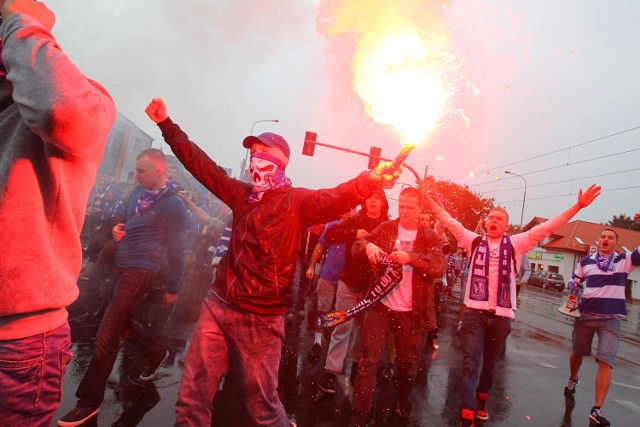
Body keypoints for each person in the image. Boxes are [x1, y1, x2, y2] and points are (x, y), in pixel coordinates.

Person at [144, 97, 402, 427]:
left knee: (263, 408)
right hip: (218, 305)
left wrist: (371, 179)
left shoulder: (299, 203)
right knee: (191, 399)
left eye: (263, 158)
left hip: (262, 319)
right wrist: (167, 125)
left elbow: (337, 196)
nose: (255, 165)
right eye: (253, 158)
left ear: (280, 165)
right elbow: (202, 166)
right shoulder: (240, 194)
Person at [0, 1, 116, 425]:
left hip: (17, 345)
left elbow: (61, 109)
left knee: (113, 325)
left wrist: (21, 20)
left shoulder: (89, 101)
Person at [424, 184, 601, 427]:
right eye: (491, 218)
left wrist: (578, 206)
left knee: (489, 365)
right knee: (469, 364)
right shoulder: (472, 240)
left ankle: (482, 400)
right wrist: (429, 200)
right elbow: (449, 220)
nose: (494, 220)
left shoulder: (518, 243)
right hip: (474, 313)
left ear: (507, 226)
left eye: (499, 218)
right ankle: (466, 416)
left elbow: (550, 226)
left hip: (501, 317)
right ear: (486, 223)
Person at [58, 149, 188, 426]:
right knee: (122, 324)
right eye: (136, 170)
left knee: (107, 333)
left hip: (143, 270)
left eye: (141, 171)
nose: (136, 175)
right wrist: (119, 230)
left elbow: (177, 251)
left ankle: (88, 402)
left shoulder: (175, 206)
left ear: (159, 171)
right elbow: (127, 223)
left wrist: (173, 287)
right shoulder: (135, 194)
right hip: (121, 264)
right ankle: (155, 351)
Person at [349, 187, 446, 425]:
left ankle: (404, 397)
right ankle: (360, 416)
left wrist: (411, 258)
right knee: (368, 361)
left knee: (407, 365)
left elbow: (439, 266)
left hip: (412, 313)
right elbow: (357, 247)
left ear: (419, 209)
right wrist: (367, 247)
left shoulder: (429, 236)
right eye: (402, 205)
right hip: (381, 305)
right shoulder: (386, 229)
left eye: (410, 207)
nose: (404, 211)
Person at [563, 224, 639, 426]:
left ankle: (597, 409)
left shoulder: (625, 260)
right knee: (577, 353)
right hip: (586, 315)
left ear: (616, 243)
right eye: (602, 237)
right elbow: (575, 279)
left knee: (606, 361)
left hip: (611, 318)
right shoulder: (586, 261)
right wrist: (574, 286)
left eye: (610, 237)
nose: (605, 239)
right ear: (598, 242)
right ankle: (572, 378)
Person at [315, 190, 389, 394]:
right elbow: (330, 234)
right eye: (370, 196)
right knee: (341, 325)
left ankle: (357, 366)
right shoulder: (355, 220)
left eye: (378, 198)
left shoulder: (389, 226)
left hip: (373, 288)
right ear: (365, 200)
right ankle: (331, 371)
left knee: (363, 331)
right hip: (348, 281)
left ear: (384, 203)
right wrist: (354, 234)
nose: (373, 200)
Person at [305, 210, 355, 363]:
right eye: (347, 209)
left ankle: (336, 351)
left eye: (352, 210)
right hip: (328, 275)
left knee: (341, 315)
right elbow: (320, 246)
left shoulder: (358, 229)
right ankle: (317, 343)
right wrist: (311, 266)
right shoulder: (332, 227)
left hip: (347, 280)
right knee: (322, 309)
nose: (348, 212)